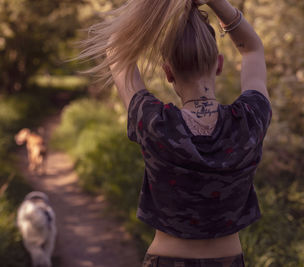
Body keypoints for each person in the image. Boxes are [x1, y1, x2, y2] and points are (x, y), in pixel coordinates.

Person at [78, 0, 272, 266]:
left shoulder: (155, 122)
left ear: (168, 72)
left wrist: (157, 8)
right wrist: (217, 3)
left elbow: (116, 48)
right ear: (219, 64)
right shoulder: (249, 120)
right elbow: (252, 49)